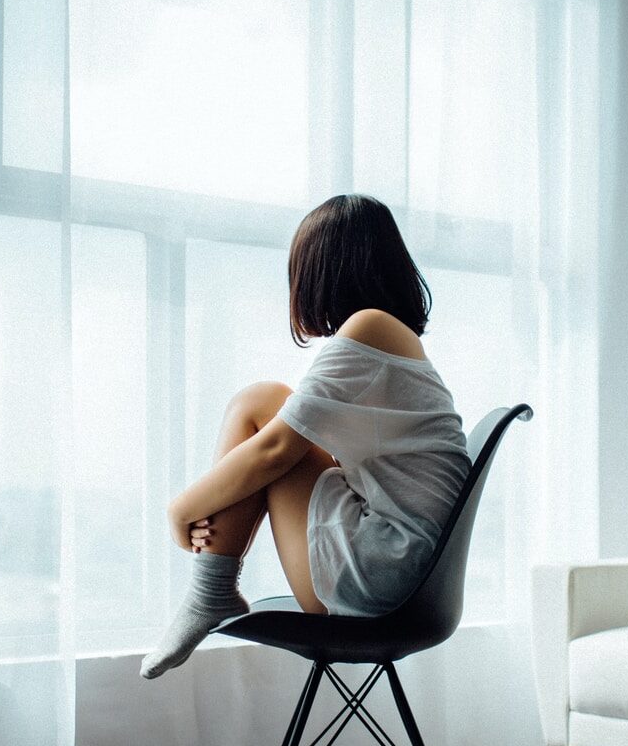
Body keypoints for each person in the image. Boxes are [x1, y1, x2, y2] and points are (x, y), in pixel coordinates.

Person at [141, 194, 472, 679]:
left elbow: (276, 451)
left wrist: (181, 509)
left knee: (259, 405)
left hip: (383, 576)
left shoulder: (370, 328)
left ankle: (209, 591)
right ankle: (211, 590)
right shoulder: (392, 339)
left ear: (321, 271)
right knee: (269, 404)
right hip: (405, 573)